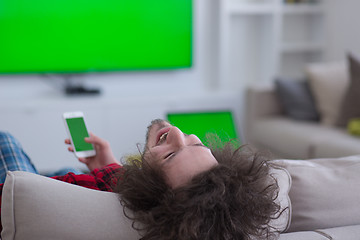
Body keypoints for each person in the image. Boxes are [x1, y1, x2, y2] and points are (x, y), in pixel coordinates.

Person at [0, 119, 283, 239]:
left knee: (5, 141)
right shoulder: (133, 187)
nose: (176, 133)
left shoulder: (87, 193)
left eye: (170, 156)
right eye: (198, 146)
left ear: (147, 192)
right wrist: (107, 164)